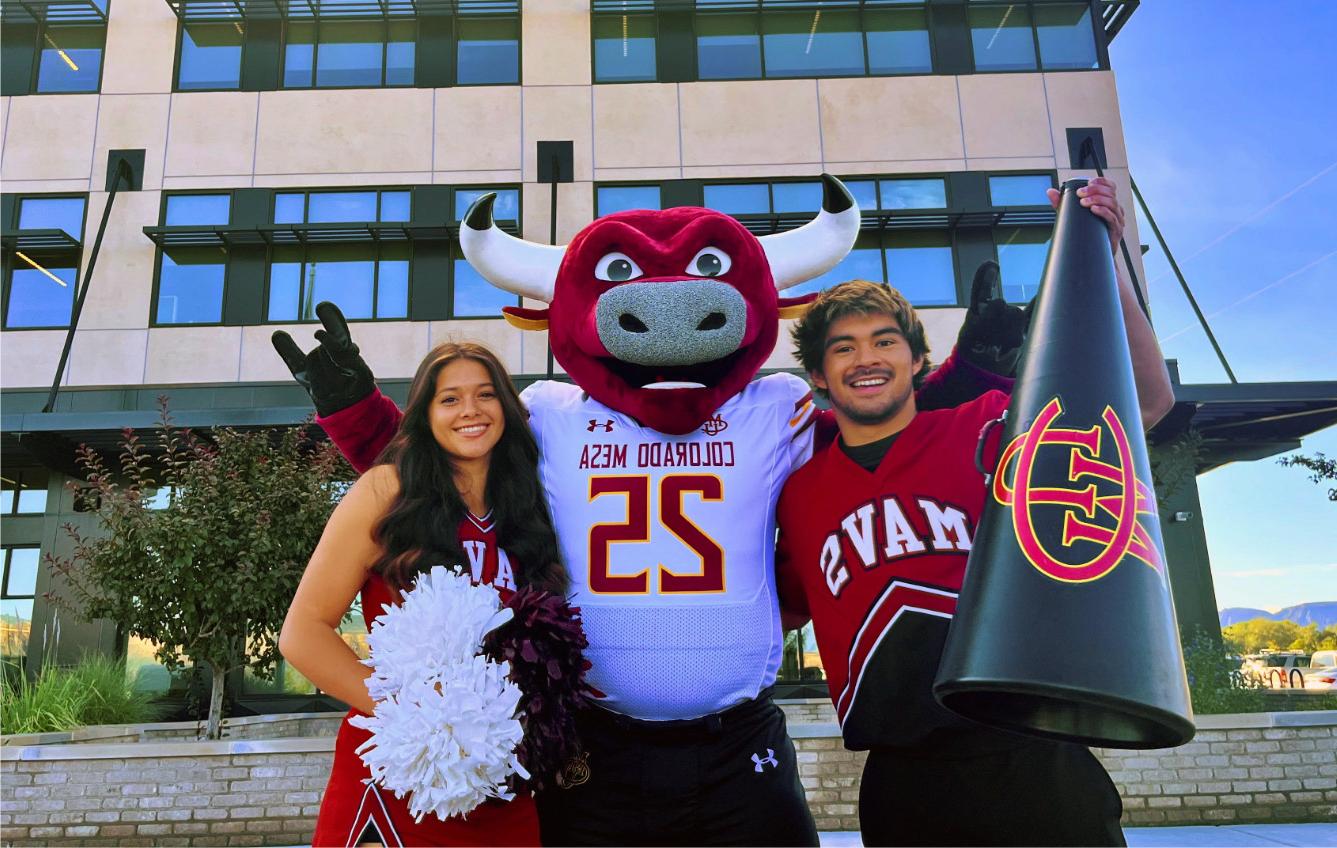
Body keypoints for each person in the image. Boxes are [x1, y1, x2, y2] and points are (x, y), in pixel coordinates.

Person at [775, 177, 1171, 847]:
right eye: (842, 348)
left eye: (883, 341)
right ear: (816, 375)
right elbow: (772, 609)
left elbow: (1141, 401)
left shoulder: (989, 425)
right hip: (901, 778)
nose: (865, 358)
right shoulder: (798, 490)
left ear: (918, 360)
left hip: (1034, 757)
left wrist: (1104, 259)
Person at [279, 342, 568, 847]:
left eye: (485, 395)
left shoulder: (531, 502)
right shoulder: (385, 489)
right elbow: (302, 633)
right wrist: (416, 713)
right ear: (425, 415)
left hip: (505, 774)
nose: (471, 411)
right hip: (402, 766)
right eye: (449, 399)